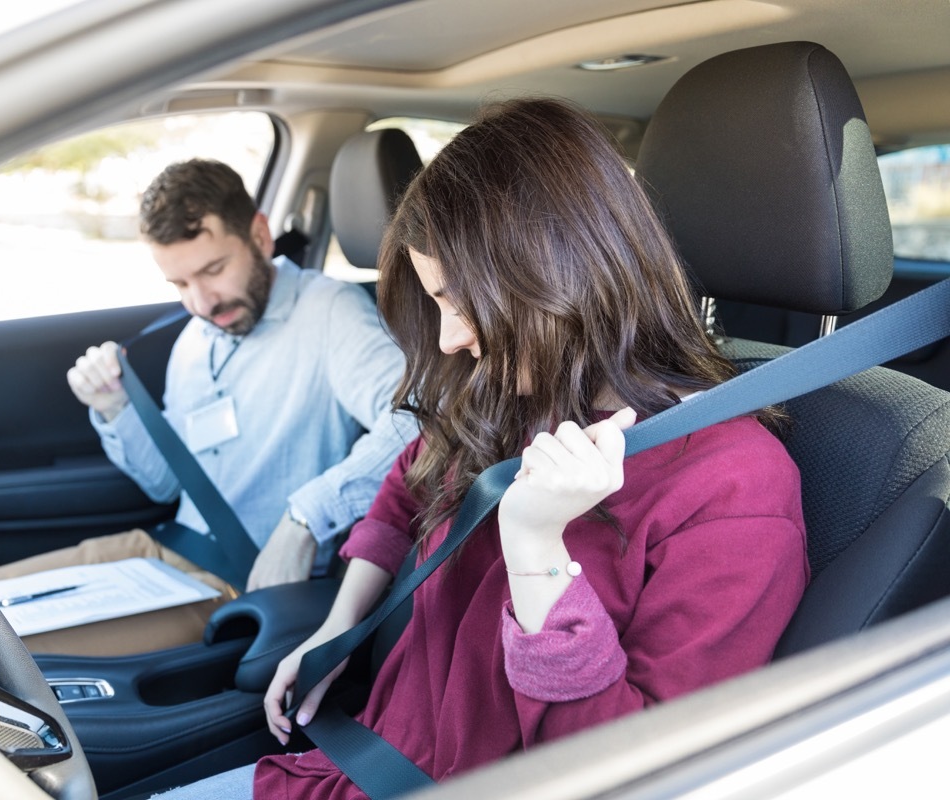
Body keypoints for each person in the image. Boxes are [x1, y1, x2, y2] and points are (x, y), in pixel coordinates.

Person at [151, 98, 809, 799]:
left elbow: (628, 770)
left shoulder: (734, 492)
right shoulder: (518, 393)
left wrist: (536, 548)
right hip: (359, 758)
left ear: (558, 273)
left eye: (459, 303)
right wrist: (337, 630)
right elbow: (410, 479)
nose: (446, 339)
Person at [0, 159, 417, 655]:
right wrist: (115, 407)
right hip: (159, 551)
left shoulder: (329, 311)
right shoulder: (193, 341)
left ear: (260, 235)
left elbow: (416, 418)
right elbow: (166, 483)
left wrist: (306, 517)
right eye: (180, 285)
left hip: (232, 581)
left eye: (213, 270)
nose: (201, 302)